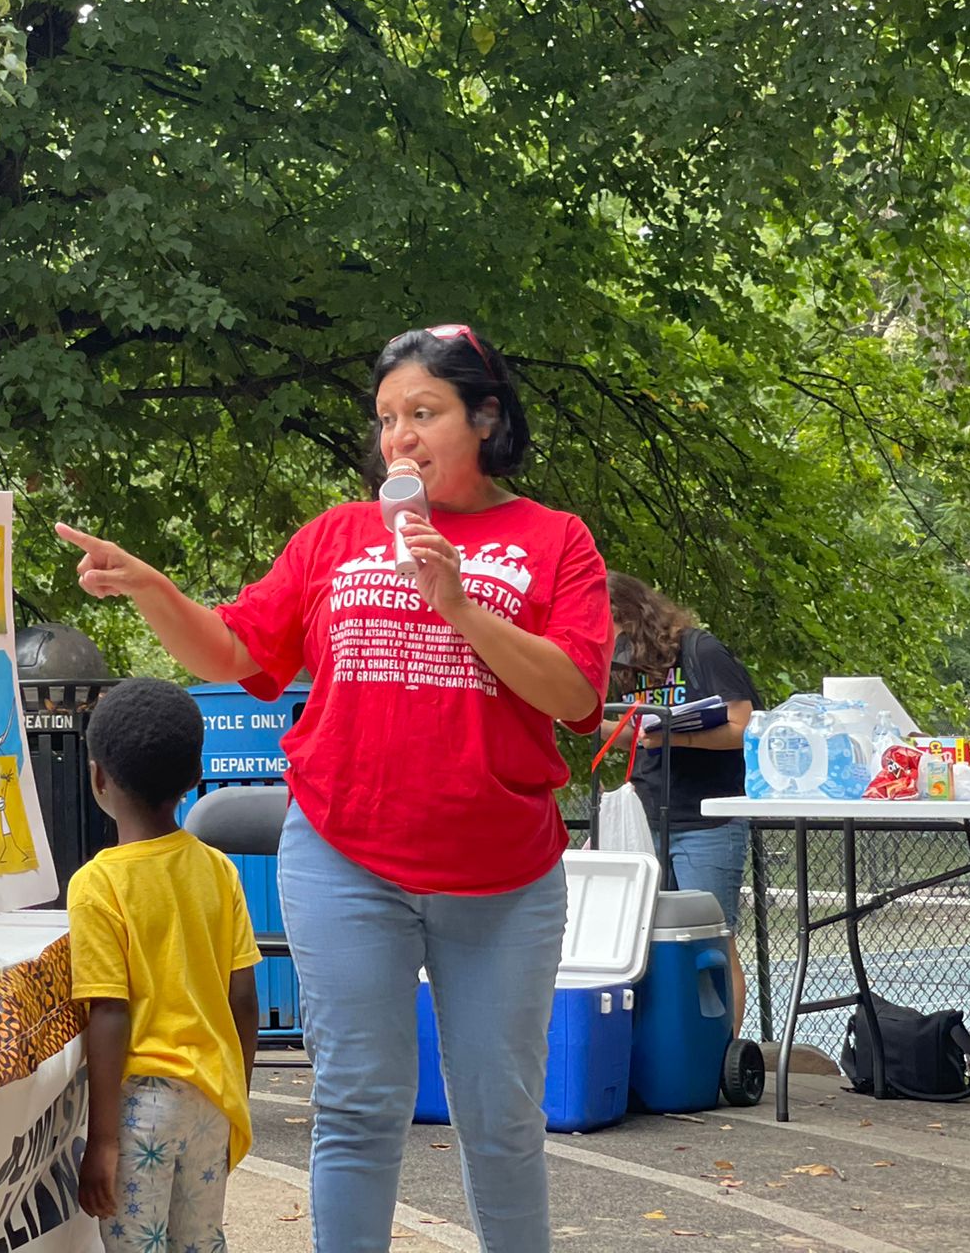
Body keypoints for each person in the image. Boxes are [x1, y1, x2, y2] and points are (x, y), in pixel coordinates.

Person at [59, 324, 610, 1253]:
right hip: (345, 859)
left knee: (501, 1117)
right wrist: (156, 590)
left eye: (424, 413)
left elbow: (578, 695)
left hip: (503, 878)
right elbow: (236, 652)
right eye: (388, 418)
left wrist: (460, 604)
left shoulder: (552, 540)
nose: (400, 437)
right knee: (358, 1106)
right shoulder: (337, 538)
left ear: (484, 417)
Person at [70, 678, 260, 1253]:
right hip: (212, 1101)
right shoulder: (219, 870)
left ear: (99, 777)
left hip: (141, 1111)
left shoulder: (98, 884)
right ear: (193, 776)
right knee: (200, 1242)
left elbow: (108, 1012)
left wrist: (102, 1141)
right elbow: (243, 1000)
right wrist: (236, 1098)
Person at [608, 571, 760, 1034]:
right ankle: (661, 1048)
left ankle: (721, 1057)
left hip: (707, 819)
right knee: (638, 937)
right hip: (645, 813)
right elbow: (624, 734)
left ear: (628, 615)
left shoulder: (699, 650)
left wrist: (677, 735)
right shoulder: (617, 665)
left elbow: (746, 728)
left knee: (712, 938)